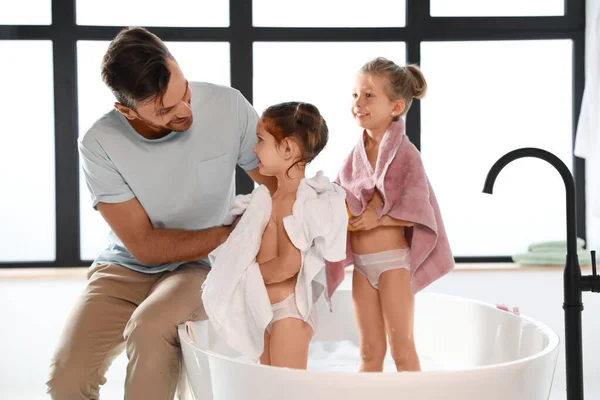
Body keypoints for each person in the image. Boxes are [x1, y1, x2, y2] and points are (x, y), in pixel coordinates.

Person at [46, 26, 275, 400]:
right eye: (165, 109)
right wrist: (229, 233)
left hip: (198, 266)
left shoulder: (228, 106)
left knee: (150, 327)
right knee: (65, 381)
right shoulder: (99, 142)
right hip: (124, 267)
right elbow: (145, 246)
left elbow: (277, 185)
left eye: (183, 91)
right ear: (126, 110)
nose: (185, 110)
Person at [201, 101, 348, 369]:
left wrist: (243, 276)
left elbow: (288, 265)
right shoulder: (272, 196)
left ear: (288, 148)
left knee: (286, 390)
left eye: (261, 140)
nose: (254, 149)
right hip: (265, 309)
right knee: (268, 387)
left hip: (288, 312)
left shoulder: (295, 201)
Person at [331, 57, 454, 372]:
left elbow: (419, 209)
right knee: (369, 352)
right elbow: (342, 194)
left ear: (396, 107)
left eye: (369, 95)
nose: (359, 103)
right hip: (362, 267)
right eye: (355, 95)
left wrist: (379, 217)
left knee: (401, 350)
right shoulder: (354, 155)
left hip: (391, 265)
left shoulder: (406, 154)